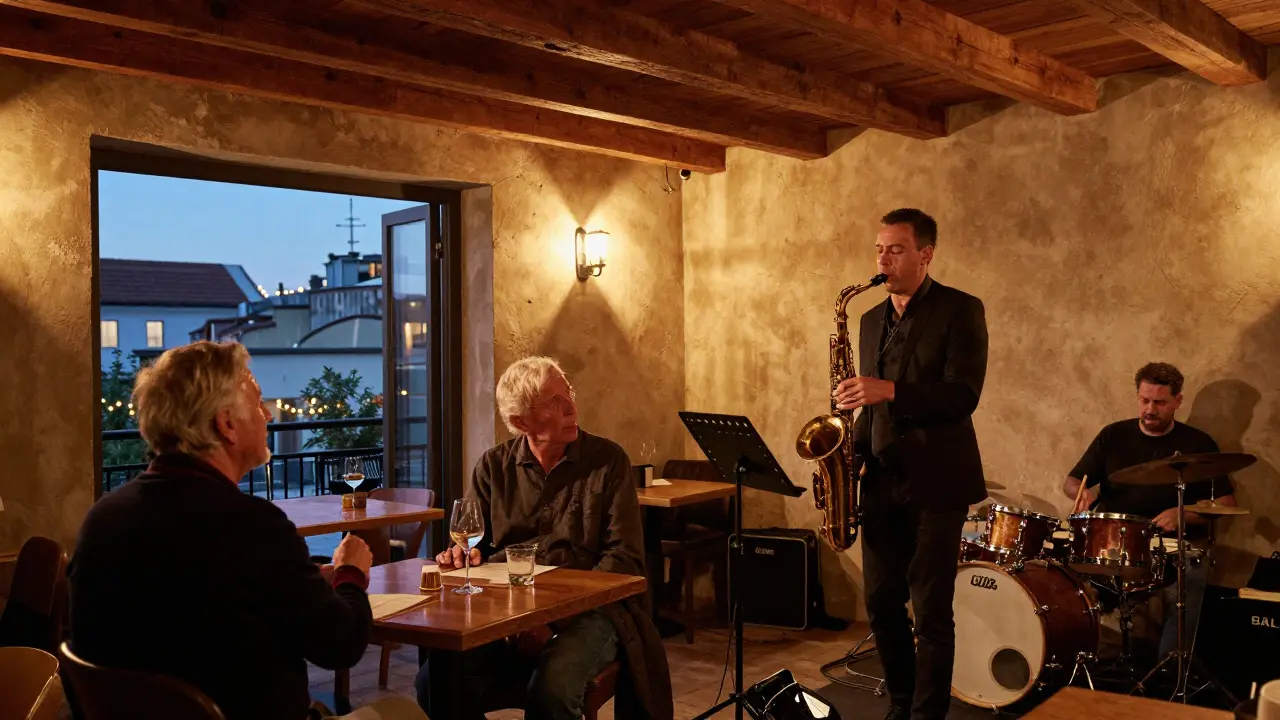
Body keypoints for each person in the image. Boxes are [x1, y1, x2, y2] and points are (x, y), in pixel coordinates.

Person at [67, 341, 427, 720]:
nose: (269, 415)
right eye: (258, 403)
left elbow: (212, 598)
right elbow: (341, 645)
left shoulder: (102, 520)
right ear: (226, 424)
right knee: (403, 710)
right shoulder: (253, 526)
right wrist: (351, 572)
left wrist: (310, 579)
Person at [415, 356, 671, 720]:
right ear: (522, 423)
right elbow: (475, 545)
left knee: (553, 689)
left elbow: (624, 558)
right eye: (554, 402)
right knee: (435, 683)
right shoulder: (493, 466)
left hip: (593, 611)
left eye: (568, 393)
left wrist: (550, 619)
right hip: (506, 611)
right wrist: (461, 553)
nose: (570, 407)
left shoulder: (608, 461)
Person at [833, 208, 989, 720]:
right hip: (880, 480)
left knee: (931, 615)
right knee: (879, 604)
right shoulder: (869, 319)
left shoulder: (960, 310)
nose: (883, 259)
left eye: (895, 249)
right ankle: (901, 704)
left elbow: (963, 395)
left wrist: (891, 391)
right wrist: (847, 456)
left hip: (937, 485)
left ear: (925, 254)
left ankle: (926, 716)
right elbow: (867, 401)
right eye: (879, 248)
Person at [1062, 362, 1236, 660]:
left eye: (1159, 402)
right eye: (1144, 400)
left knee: (1190, 578)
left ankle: (1168, 673)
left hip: (1172, 546)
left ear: (1178, 401)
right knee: (1062, 572)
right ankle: (1075, 661)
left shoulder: (1197, 443)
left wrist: (1184, 514)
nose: (1150, 409)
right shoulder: (1113, 436)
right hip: (1114, 541)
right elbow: (1072, 480)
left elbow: (1226, 504)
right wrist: (1083, 493)